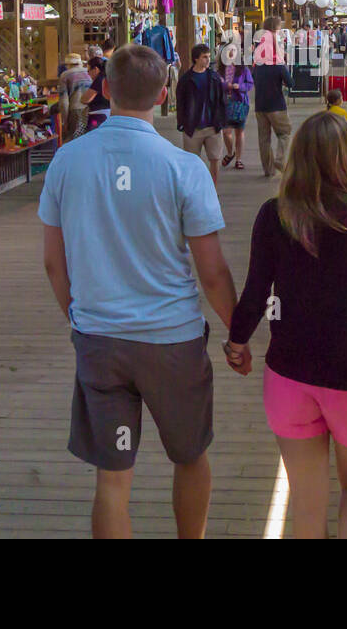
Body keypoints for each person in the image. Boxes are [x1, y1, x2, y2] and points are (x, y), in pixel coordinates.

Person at [39, 44, 239, 539]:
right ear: (164, 94)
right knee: (190, 457)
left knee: (113, 478)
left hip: (100, 340)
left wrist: (79, 317)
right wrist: (238, 332)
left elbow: (52, 260)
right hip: (172, 340)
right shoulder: (184, 168)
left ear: (103, 89)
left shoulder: (66, 161)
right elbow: (212, 271)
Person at [225, 112, 347, 539]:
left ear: (297, 157)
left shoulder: (274, 215)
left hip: (290, 379)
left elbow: (256, 292)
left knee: (307, 506)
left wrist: (237, 342)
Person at [176, 44, 227, 186]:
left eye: (209, 57)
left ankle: (213, 189)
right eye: (204, 57)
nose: (207, 60)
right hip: (193, 127)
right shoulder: (186, 80)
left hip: (213, 126)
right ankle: (194, 189)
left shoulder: (214, 77)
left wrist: (222, 120)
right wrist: (182, 122)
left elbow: (221, 99)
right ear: (196, 59)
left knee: (215, 159)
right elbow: (181, 102)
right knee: (192, 162)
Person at [251, 17, 294, 178]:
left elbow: (253, 80)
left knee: (264, 139)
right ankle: (280, 159)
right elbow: (290, 83)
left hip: (260, 105)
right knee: (284, 133)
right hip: (277, 105)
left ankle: (268, 170)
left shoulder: (257, 65)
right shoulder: (278, 65)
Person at [219, 52, 253, 171]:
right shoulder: (220, 70)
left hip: (240, 103)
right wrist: (225, 85)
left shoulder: (243, 69)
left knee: (239, 132)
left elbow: (250, 84)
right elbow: (217, 84)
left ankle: (238, 159)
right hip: (225, 104)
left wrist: (240, 87)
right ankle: (230, 153)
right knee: (226, 132)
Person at [82, 39, 116, 131]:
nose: (88, 74)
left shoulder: (99, 80)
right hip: (109, 114)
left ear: (96, 69)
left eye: (89, 71)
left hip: (98, 117)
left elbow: (86, 99)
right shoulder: (109, 75)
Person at [58, 53, 92, 141]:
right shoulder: (89, 71)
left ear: (68, 64)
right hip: (90, 109)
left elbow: (64, 102)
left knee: (73, 140)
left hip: (75, 111)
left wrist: (64, 121)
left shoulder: (65, 75)